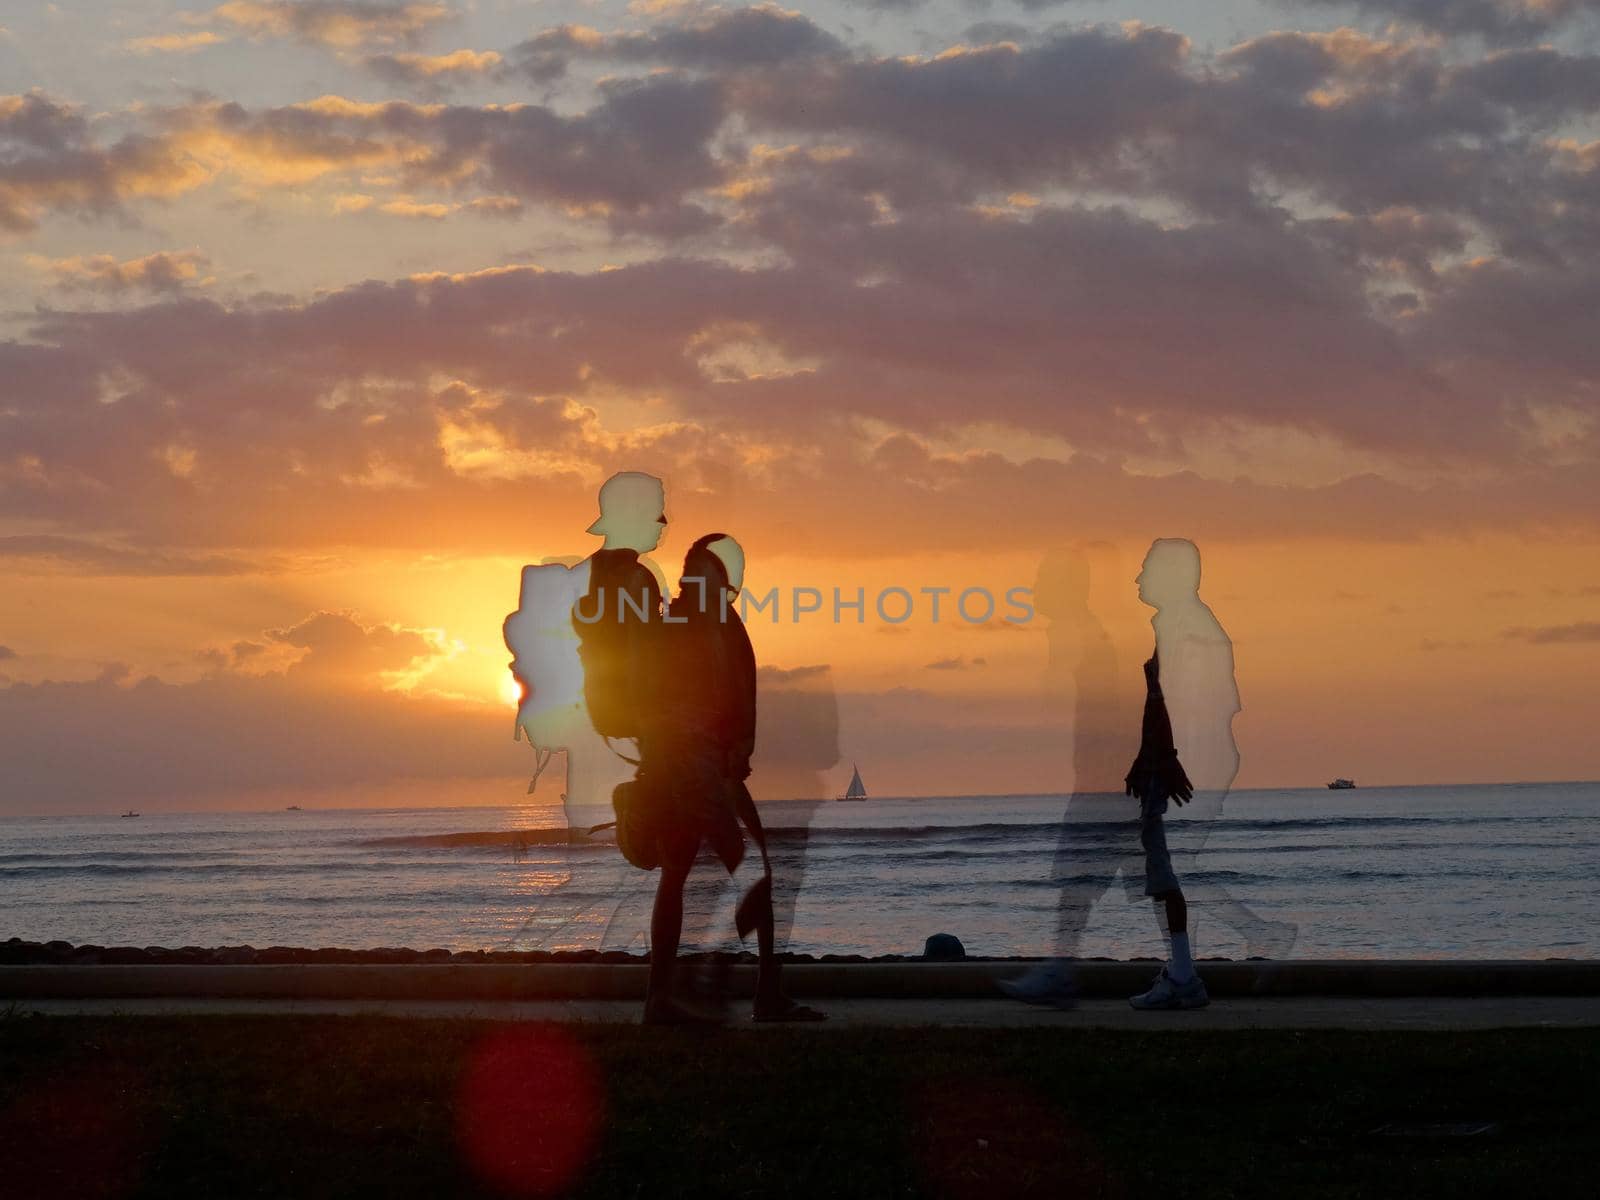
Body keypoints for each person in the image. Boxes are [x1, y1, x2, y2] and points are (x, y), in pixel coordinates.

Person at [634, 533, 824, 1024]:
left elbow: (740, 694)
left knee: (684, 876)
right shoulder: (685, 623)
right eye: (713, 572)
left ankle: (666, 999)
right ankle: (759, 994)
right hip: (695, 768)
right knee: (748, 872)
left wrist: (733, 755)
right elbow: (667, 701)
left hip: (709, 766)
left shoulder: (714, 622)